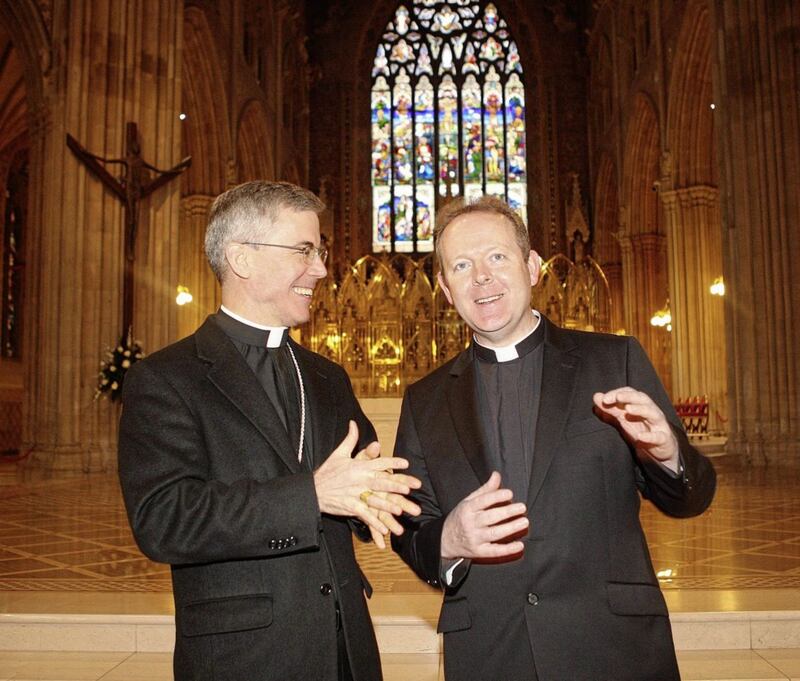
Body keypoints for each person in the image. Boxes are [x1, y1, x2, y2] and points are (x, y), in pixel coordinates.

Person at [391, 196, 716, 681]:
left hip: (612, 647)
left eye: (497, 257)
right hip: (491, 652)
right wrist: (449, 540)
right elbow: (411, 530)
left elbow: (691, 498)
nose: (481, 276)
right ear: (444, 287)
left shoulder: (614, 360)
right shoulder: (424, 399)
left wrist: (667, 455)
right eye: (461, 265)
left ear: (533, 266)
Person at [118, 180, 421, 681]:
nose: (322, 269)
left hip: (346, 647)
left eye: (320, 251)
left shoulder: (327, 376)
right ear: (242, 258)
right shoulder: (167, 378)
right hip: (244, 656)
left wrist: (417, 518)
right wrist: (312, 495)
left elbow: (368, 487)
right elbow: (163, 519)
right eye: (304, 250)